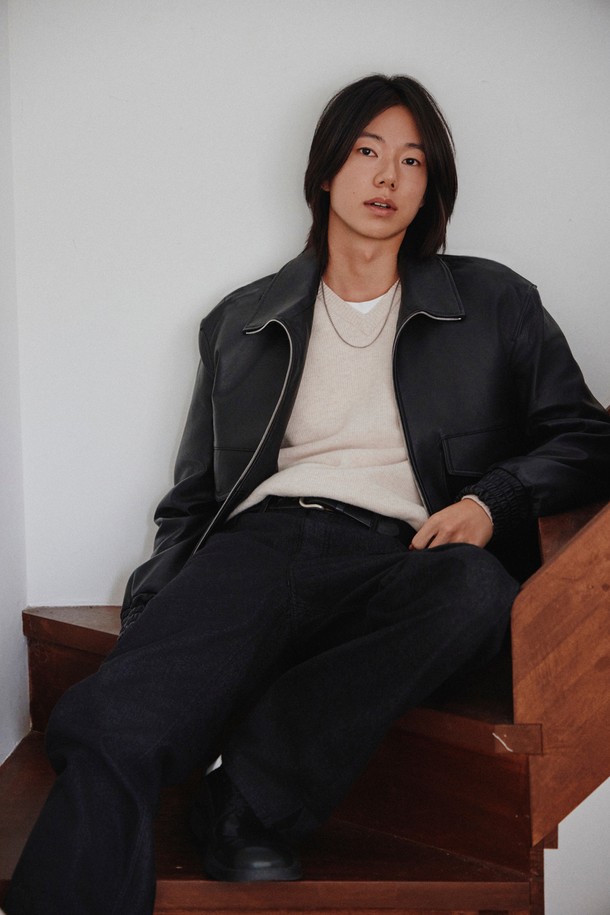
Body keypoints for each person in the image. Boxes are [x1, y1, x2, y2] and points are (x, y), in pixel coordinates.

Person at [5, 74, 610, 915]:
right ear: (327, 171)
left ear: (430, 187)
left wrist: (491, 502)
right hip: (262, 548)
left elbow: (587, 437)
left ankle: (246, 793)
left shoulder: (495, 301)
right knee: (116, 725)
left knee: (478, 590)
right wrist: (163, 612)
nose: (387, 176)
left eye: (412, 161)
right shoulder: (241, 321)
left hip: (405, 556)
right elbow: (195, 495)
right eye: (367, 151)